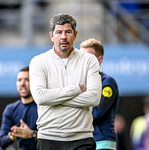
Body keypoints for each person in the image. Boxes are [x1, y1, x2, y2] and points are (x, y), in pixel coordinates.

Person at [29, 13, 102, 150]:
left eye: (68, 32)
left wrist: (52, 98)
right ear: (51, 36)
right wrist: (76, 90)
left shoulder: (89, 60)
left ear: (75, 35)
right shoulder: (38, 62)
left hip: (82, 139)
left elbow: (94, 98)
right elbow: (40, 97)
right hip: (49, 138)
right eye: (59, 32)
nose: (63, 37)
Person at [80, 38, 119, 150]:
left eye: (88, 57)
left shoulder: (107, 83)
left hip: (102, 142)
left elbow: (96, 113)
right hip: (84, 142)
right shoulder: (79, 83)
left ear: (99, 59)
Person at [0, 66, 38, 150]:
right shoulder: (10, 109)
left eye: (27, 80)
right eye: (19, 80)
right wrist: (11, 137)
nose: (22, 83)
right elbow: (2, 142)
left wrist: (31, 134)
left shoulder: (43, 107)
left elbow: (54, 137)